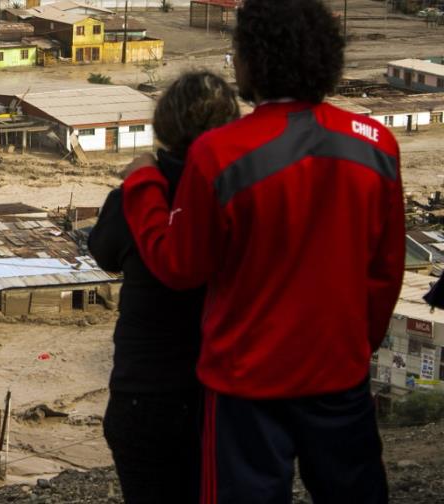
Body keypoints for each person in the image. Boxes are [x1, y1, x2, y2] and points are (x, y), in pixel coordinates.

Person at [122, 1, 403, 503]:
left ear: (254, 60)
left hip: (245, 385)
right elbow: (384, 272)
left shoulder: (221, 154)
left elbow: (180, 266)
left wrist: (142, 184)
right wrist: (357, 346)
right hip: (338, 375)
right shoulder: (376, 144)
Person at [89, 71, 240, 504]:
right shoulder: (246, 192)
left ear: (164, 129)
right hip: (225, 395)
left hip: (145, 395)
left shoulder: (135, 196)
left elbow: (102, 251)